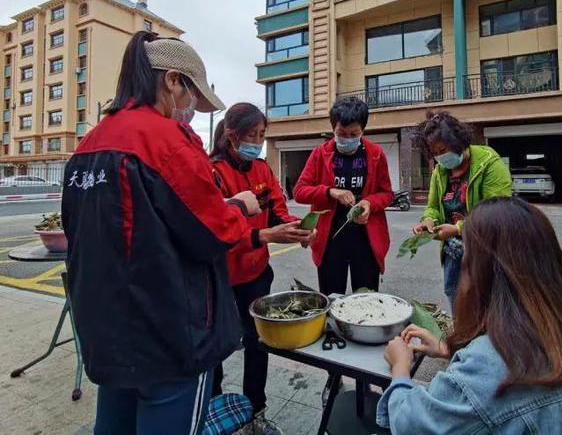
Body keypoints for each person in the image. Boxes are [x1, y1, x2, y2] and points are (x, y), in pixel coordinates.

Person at [62, 32, 260, 435]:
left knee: (115, 422)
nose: (190, 110)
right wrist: (240, 206)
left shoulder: (90, 143)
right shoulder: (166, 142)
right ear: (172, 80)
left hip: (107, 330)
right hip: (168, 333)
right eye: (191, 97)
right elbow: (213, 233)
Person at [379, 197, 562, 434]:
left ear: (483, 272)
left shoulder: (488, 368)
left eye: (468, 260)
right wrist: (447, 349)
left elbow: (411, 425)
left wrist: (401, 367)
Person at [208, 103, 314, 416]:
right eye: (252, 135)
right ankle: (212, 408)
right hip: (220, 280)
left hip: (256, 275)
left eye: (262, 135)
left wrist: (297, 228)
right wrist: (265, 236)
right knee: (216, 349)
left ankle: (257, 408)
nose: (257, 141)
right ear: (231, 135)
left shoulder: (263, 169)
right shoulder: (212, 172)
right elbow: (217, 231)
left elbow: (278, 209)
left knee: (257, 344)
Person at [411, 111, 511, 311]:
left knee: (487, 299)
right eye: (435, 153)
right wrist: (428, 220)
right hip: (454, 252)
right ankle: (462, 337)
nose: (440, 157)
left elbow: (497, 213)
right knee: (455, 293)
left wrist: (458, 229)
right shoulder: (440, 171)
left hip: (486, 250)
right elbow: (432, 206)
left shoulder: (489, 163)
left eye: (443, 150)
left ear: (459, 141)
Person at [294, 97, 393, 295]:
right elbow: (299, 192)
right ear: (333, 129)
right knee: (331, 297)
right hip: (330, 239)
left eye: (353, 134)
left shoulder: (375, 154)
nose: (347, 139)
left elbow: (387, 194)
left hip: (366, 240)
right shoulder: (320, 154)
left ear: (363, 130)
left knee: (367, 298)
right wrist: (330, 192)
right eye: (341, 134)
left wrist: (369, 203)